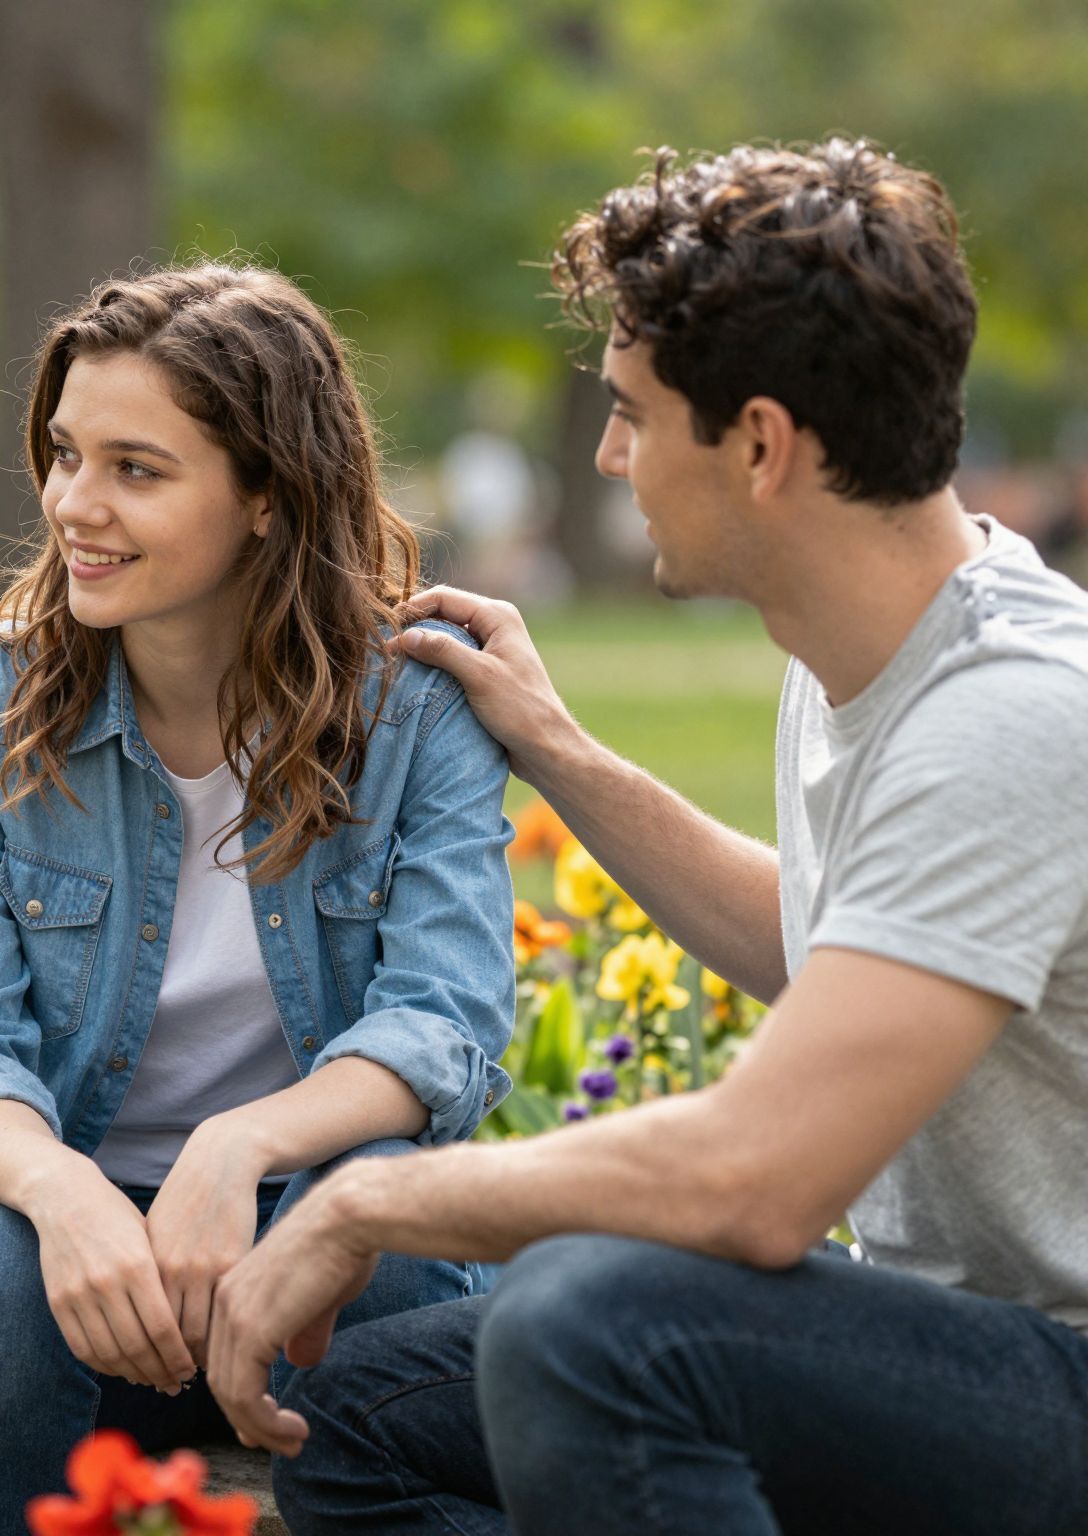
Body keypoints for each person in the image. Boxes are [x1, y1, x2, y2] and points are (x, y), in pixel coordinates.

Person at [201, 141, 1088, 1535]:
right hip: (948, 1348)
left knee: (590, 1324)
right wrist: (557, 751)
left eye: (630, 414)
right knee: (355, 1418)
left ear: (760, 445)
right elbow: (816, 942)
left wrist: (362, 1207)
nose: (610, 455)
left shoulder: (1010, 714)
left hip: (1061, 1373)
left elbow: (754, 1183)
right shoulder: (863, 643)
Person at [0, 262, 517, 1527]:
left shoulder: (414, 711)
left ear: (268, 496)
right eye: (66, 455)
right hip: (63, 1264)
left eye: (136, 469)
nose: (75, 504)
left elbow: (442, 1025)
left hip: (305, 1245)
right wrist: (61, 1192)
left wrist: (241, 1143)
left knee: (381, 1237)